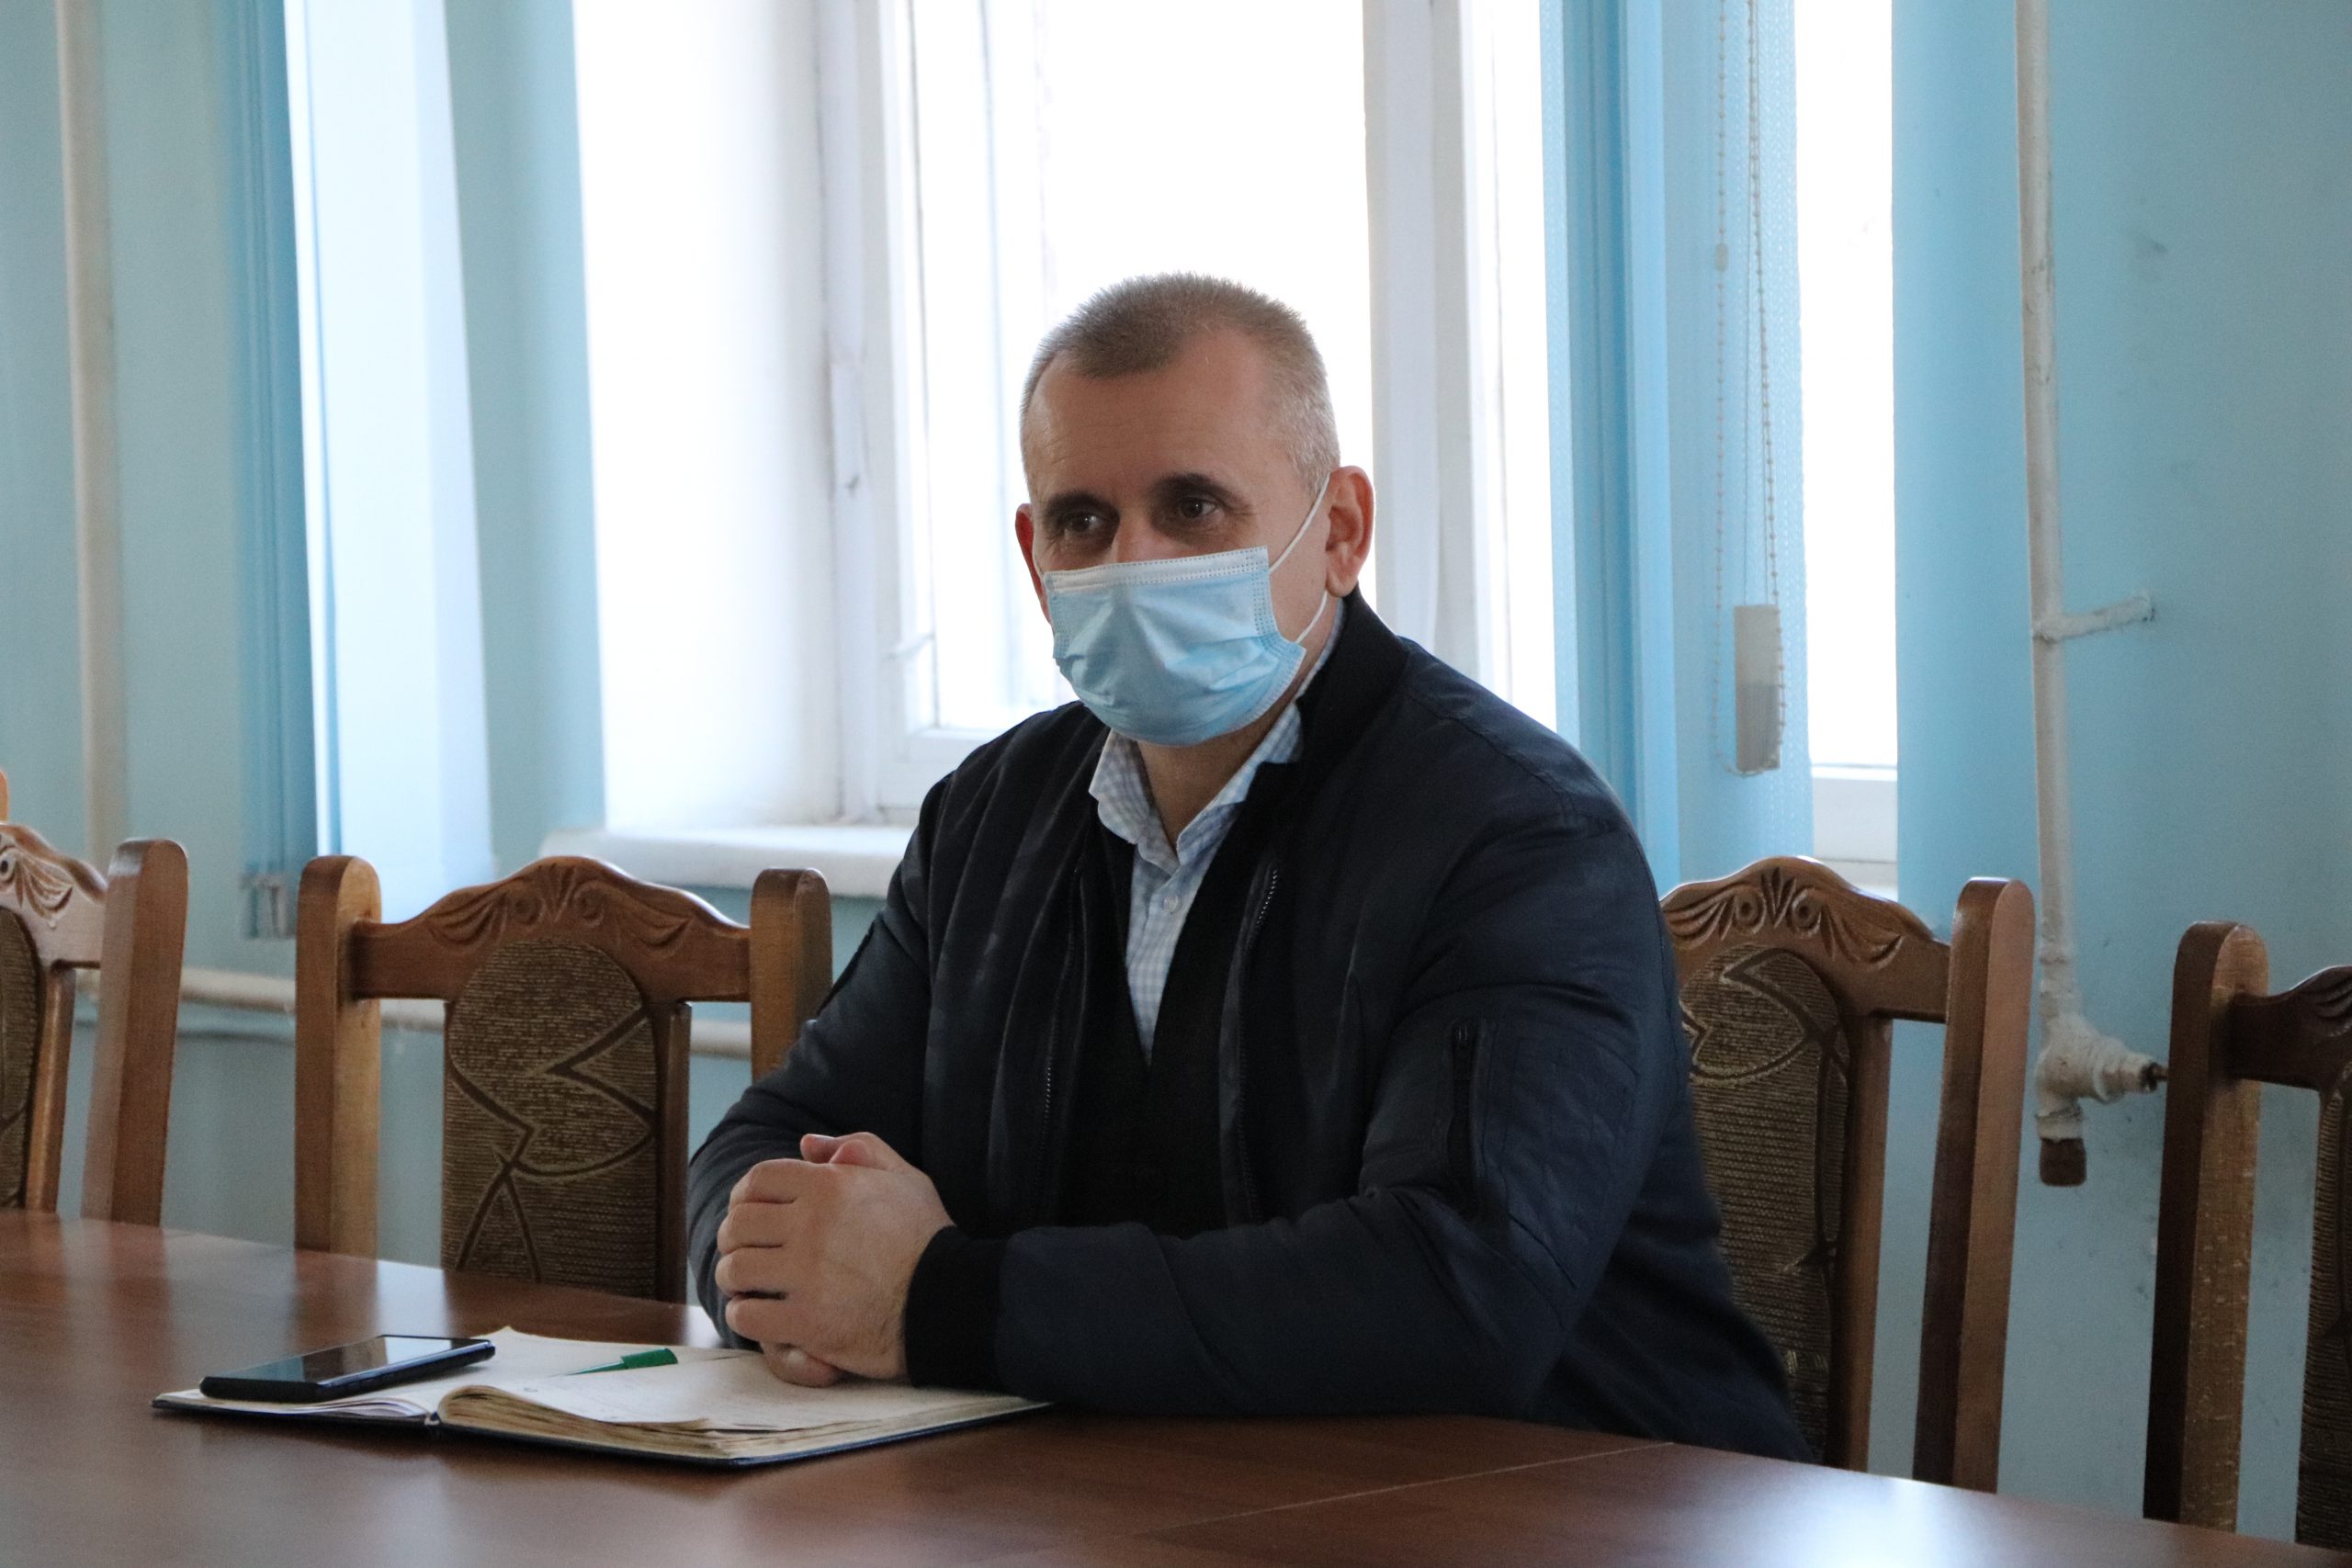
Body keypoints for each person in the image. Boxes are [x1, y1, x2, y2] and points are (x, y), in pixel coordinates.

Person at [689, 273, 1804, 1458]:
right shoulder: (987, 819)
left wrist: (936, 1299)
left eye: (1193, 507)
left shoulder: (1518, 836)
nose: (1134, 561)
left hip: (1567, 1501)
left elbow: (1457, 1287)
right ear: (1033, 555)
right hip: (1127, 1494)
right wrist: (787, 1281)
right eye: (1083, 521)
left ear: (1340, 531)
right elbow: (771, 1140)